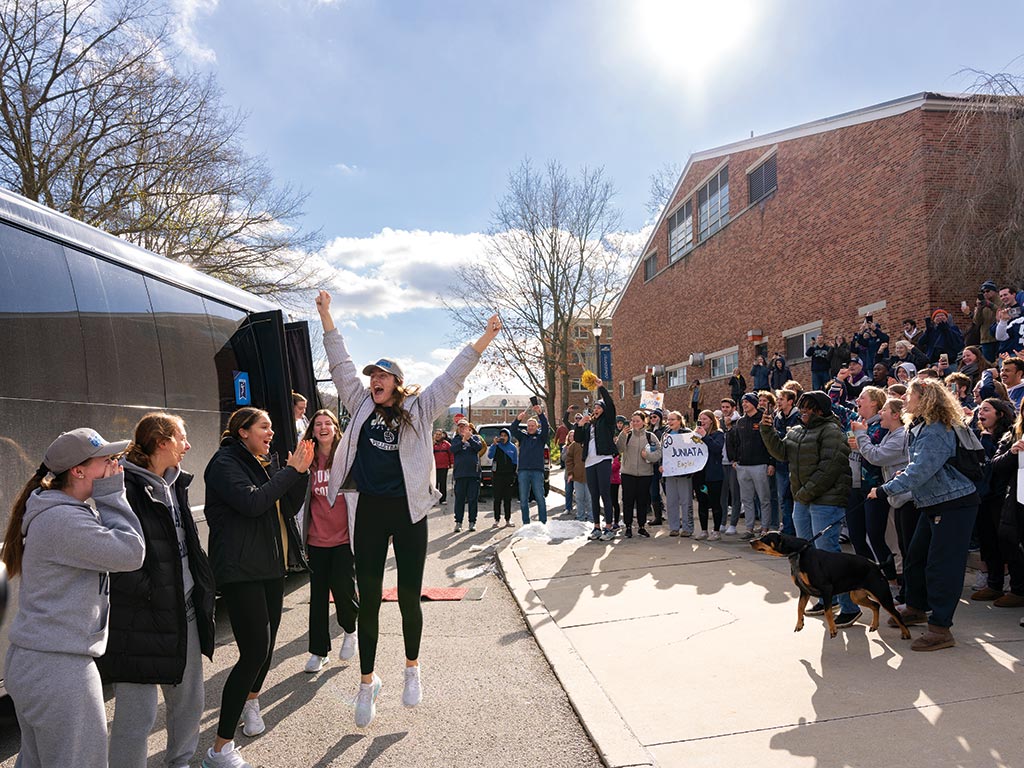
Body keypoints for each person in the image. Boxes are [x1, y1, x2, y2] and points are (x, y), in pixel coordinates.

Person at [317, 290, 501, 727]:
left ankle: (412, 669)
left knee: (408, 600)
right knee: (369, 602)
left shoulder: (421, 409)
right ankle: (367, 683)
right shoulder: (359, 403)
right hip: (369, 513)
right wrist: (326, 315)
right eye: (371, 376)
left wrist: (485, 338)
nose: (373, 380)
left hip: (409, 513)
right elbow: (341, 364)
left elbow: (453, 375)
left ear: (396, 383)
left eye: (382, 376)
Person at [2, 428, 145, 768]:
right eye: (107, 460)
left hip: (41, 661)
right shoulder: (62, 518)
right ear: (78, 471)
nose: (116, 466)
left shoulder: (59, 510)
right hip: (58, 668)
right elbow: (131, 552)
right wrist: (113, 495)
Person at [104, 414, 216, 768]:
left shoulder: (175, 483)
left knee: (189, 701)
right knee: (137, 717)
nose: (188, 445)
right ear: (162, 442)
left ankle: (180, 762)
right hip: (142, 616)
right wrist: (153, 592)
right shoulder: (125, 487)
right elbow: (116, 557)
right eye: (182, 438)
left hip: (183, 610)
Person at [203, 408, 312, 766]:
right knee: (253, 652)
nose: (271, 433)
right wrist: (289, 471)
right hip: (240, 570)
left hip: (268, 567)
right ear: (243, 431)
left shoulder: (259, 460)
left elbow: (285, 506)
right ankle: (219, 749)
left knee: (264, 650)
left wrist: (301, 473)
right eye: (264, 427)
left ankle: (252, 701)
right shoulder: (224, 463)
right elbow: (252, 503)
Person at [868, 379, 981, 651]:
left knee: (942, 567)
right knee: (916, 557)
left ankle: (941, 628)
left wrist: (885, 489)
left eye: (910, 393)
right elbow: (919, 467)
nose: (905, 397)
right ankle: (917, 607)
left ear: (925, 398)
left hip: (954, 502)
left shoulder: (935, 428)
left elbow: (921, 470)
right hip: (933, 502)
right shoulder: (921, 426)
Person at [759, 392, 859, 629]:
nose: (803, 411)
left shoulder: (832, 431)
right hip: (804, 500)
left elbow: (829, 469)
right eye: (802, 407)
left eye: (808, 408)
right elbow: (781, 452)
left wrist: (803, 493)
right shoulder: (796, 431)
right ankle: (829, 599)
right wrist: (767, 430)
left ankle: (850, 607)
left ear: (820, 410)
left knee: (829, 553)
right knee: (808, 554)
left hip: (825, 501)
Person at [300, 410, 358, 674]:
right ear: (312, 430)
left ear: (336, 428)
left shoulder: (346, 457)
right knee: (318, 597)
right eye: (318, 424)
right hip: (317, 540)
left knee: (344, 590)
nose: (323, 428)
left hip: (344, 538)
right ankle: (318, 651)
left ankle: (349, 629)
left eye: (328, 423)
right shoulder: (307, 459)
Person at [974, 398, 1022, 605]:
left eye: (987, 409)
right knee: (989, 541)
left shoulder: (1008, 431)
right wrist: (1012, 451)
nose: (980, 413)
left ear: (1000, 414)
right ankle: (994, 585)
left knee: (1009, 542)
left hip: (1009, 498)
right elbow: (995, 464)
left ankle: (1018, 589)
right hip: (989, 496)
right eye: (980, 410)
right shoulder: (1012, 435)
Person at [726, 393, 773, 539]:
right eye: (743, 402)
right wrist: (734, 459)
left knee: (764, 498)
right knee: (746, 499)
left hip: (760, 464)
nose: (744, 404)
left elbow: (771, 442)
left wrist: (771, 462)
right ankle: (749, 528)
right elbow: (735, 442)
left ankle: (765, 528)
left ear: (754, 403)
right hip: (743, 466)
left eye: (747, 402)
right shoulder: (740, 422)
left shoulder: (763, 418)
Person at [574, 381, 618, 541]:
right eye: (595, 408)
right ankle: (596, 527)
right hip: (590, 462)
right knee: (594, 495)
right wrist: (580, 425)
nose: (596, 410)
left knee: (605, 493)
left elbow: (611, 404)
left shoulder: (607, 422)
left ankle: (609, 527)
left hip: (603, 459)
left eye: (599, 407)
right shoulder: (589, 425)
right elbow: (578, 439)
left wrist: (601, 387)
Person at [616, 411, 662, 539]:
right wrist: (622, 435)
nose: (635, 423)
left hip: (645, 474)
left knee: (642, 501)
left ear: (643, 421)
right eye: (633, 420)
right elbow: (619, 449)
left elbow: (658, 453)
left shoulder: (650, 436)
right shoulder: (627, 435)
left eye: (638, 420)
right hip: (628, 473)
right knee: (628, 501)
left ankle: (642, 526)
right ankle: (628, 526)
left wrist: (647, 455)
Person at [510, 405, 550, 525]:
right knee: (523, 500)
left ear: (537, 427)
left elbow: (546, 427)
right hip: (523, 472)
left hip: (537, 471)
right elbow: (512, 430)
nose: (531, 427)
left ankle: (543, 522)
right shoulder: (523, 437)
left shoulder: (541, 438)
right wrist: (518, 419)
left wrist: (540, 414)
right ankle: (526, 523)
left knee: (540, 498)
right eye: (529, 426)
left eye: (533, 426)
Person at [661, 410, 696, 537]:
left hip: (684, 473)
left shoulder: (687, 433)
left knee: (686, 501)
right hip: (670, 473)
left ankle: (687, 528)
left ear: (679, 420)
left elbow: (694, 449)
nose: (669, 422)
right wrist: (661, 464)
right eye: (668, 420)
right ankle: (674, 527)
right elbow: (663, 452)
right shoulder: (666, 434)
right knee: (671, 501)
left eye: (672, 419)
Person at [693, 410, 725, 540]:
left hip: (714, 474)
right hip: (700, 474)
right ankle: (704, 530)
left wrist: (705, 436)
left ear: (711, 420)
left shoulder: (718, 434)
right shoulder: (696, 435)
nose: (702, 421)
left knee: (715, 502)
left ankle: (716, 530)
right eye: (700, 419)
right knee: (702, 502)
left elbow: (717, 448)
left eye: (705, 419)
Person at [451, 420, 483, 532]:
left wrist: (469, 439)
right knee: (459, 499)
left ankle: (472, 522)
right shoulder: (456, 439)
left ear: (468, 427)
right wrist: (463, 441)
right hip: (460, 474)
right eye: (459, 427)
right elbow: (453, 450)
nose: (461, 429)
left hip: (473, 474)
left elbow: (479, 448)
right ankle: (458, 522)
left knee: (473, 499)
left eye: (463, 426)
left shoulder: (475, 438)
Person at [488, 427, 518, 527]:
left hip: (508, 476)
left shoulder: (512, 447)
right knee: (497, 499)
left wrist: (513, 475)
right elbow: (490, 456)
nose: (503, 437)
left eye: (505, 436)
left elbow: (515, 462)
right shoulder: (496, 446)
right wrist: (494, 445)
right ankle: (496, 519)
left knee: (507, 499)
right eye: (501, 435)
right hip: (497, 476)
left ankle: (508, 519)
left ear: (508, 437)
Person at [563, 430, 591, 523]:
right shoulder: (574, 445)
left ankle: (591, 517)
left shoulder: (592, 442)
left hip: (590, 477)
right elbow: (569, 460)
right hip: (577, 476)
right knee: (579, 498)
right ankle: (580, 516)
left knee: (589, 498)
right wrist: (570, 473)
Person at [646, 409, 667, 525]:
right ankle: (657, 517)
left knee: (667, 490)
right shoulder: (648, 431)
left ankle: (672, 515)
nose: (653, 419)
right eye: (651, 417)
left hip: (663, 464)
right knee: (653, 492)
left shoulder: (664, 430)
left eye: (655, 417)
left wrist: (657, 429)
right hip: (652, 464)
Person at [432, 430, 453, 505]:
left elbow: (451, 454)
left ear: (442, 435)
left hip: (444, 466)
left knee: (443, 483)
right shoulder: (432, 444)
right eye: (436, 434)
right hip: (434, 467)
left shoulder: (446, 444)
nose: (438, 436)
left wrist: (452, 463)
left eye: (439, 434)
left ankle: (443, 499)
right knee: (434, 484)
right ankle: (434, 500)